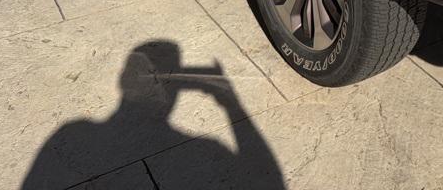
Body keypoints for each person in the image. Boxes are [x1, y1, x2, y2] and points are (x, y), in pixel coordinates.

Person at [22, 40, 283, 189]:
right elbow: (272, 183)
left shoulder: (72, 135)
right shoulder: (208, 150)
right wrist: (231, 104)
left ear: (121, 80)